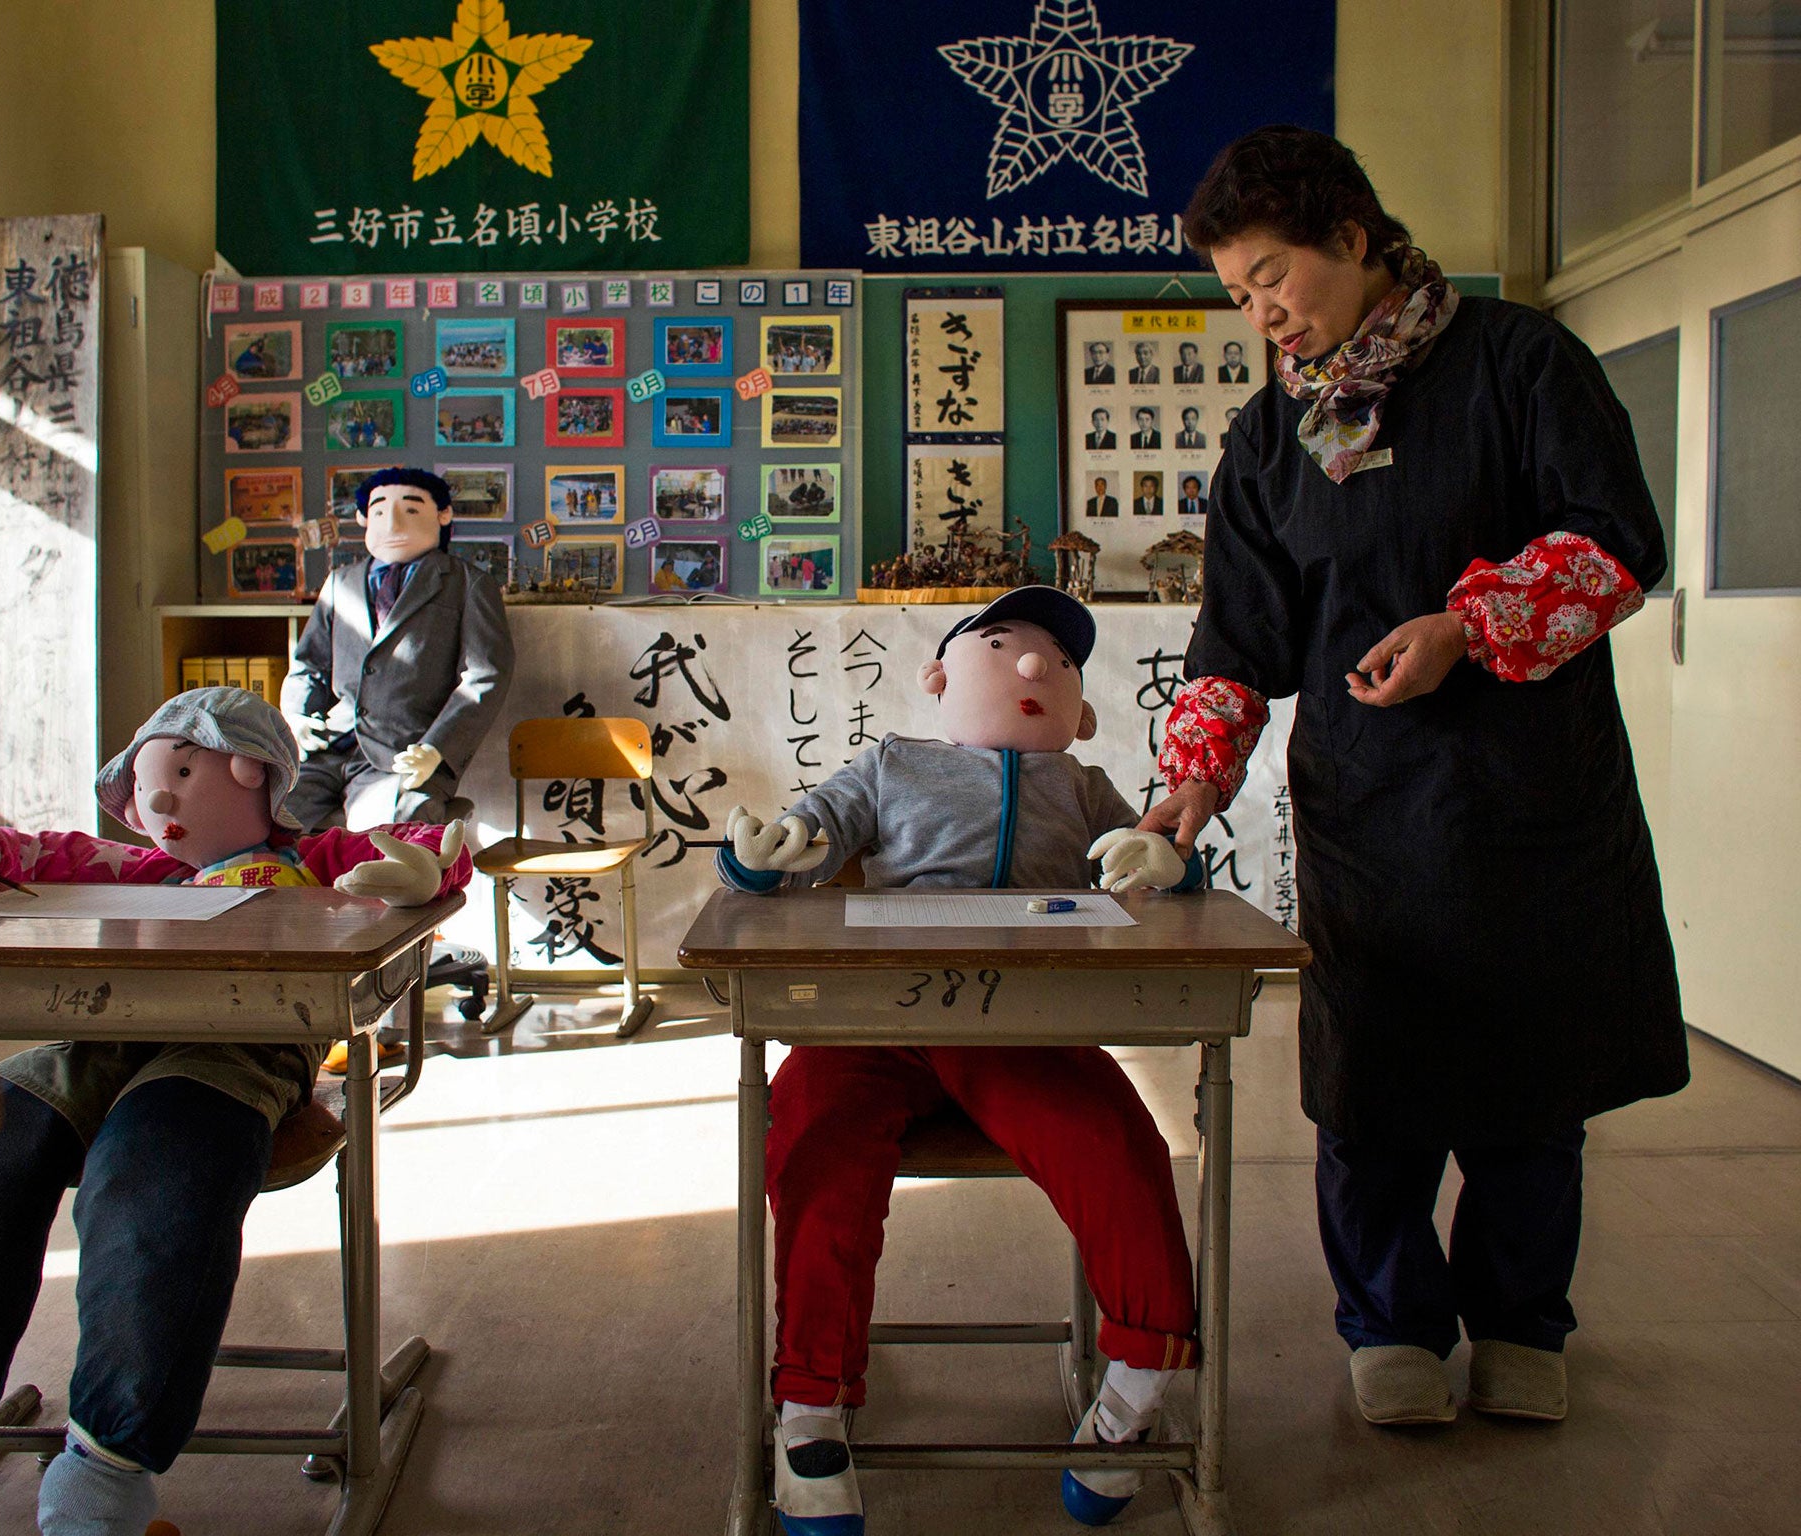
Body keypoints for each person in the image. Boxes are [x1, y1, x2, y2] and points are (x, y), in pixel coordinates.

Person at [1147, 125, 1686, 1430]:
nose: (1260, 309)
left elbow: (1615, 543)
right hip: (1367, 805)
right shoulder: (1285, 430)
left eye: (1272, 274)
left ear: (1352, 234)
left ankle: (1519, 1320)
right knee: (1371, 1079)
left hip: (1531, 792)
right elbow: (1244, 634)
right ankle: (1387, 1319)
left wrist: (1469, 626)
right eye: (1238, 294)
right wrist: (1194, 775)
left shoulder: (1519, 362)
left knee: (1528, 1075)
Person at [0, 688, 473, 1536]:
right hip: (92, 1039)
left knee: (154, 1174)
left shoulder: (312, 855)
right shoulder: (138, 868)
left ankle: (103, 1472)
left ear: (252, 773)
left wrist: (424, 868)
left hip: (240, 1048)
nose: (158, 802)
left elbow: (419, 843)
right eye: (148, 783)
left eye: (183, 773)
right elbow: (26, 855)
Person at [717, 588, 1205, 1536]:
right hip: (875, 1023)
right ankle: (810, 1403)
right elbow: (809, 834)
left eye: (1057, 663)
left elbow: (1169, 860)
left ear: (1084, 708)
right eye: (1003, 647)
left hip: (1026, 1029)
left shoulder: (1086, 787)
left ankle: (1137, 1387)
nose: (1032, 668)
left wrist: (1169, 866)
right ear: (939, 676)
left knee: (1120, 1149)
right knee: (813, 1141)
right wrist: (766, 857)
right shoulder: (895, 763)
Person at [283, 468, 514, 833]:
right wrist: (297, 718)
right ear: (362, 519)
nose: (390, 522)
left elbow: (485, 675)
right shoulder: (340, 583)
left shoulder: (468, 584)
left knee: (386, 840)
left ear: (443, 515)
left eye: (410, 510)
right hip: (327, 748)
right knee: (265, 821)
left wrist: (437, 748)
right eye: (377, 511)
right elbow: (309, 663)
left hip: (406, 755)